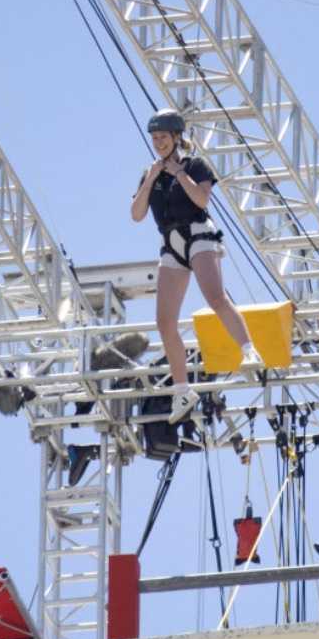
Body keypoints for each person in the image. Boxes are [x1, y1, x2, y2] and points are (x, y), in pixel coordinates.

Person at [131, 109, 262, 423]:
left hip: (199, 234)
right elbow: (136, 214)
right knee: (164, 322)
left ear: (176, 137)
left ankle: (249, 350)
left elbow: (202, 201)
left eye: (163, 137)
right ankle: (181, 389)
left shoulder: (194, 165)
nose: (158, 143)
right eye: (155, 138)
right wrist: (150, 178)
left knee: (216, 298)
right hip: (171, 243)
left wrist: (178, 173)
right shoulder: (150, 173)